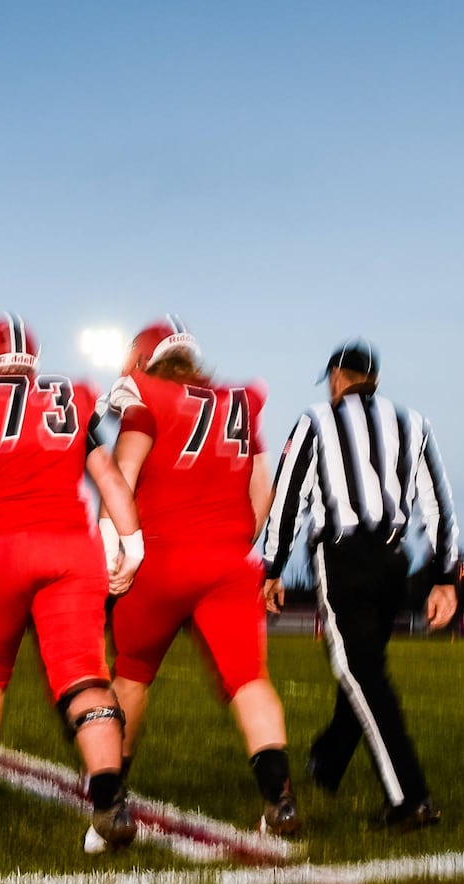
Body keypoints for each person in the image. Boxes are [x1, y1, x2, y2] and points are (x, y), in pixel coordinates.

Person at [0, 314, 142, 852]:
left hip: (0, 547)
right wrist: (132, 546)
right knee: (84, 676)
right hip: (71, 549)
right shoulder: (72, 396)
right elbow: (109, 476)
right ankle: (109, 800)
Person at [103, 315, 301, 837]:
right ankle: (279, 799)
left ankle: (113, 798)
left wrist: (114, 551)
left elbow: (121, 478)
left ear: (143, 360)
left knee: (131, 674)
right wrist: (237, 543)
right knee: (250, 681)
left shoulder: (144, 396)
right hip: (229, 563)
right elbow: (264, 489)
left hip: (161, 558)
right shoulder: (237, 402)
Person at [260, 337, 461, 832]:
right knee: (364, 665)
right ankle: (327, 763)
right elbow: (437, 503)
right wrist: (446, 577)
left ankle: (409, 798)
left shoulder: (316, 420)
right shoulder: (413, 423)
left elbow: (287, 496)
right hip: (394, 561)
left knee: (361, 674)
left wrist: (271, 566)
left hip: (344, 556)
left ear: (335, 376)